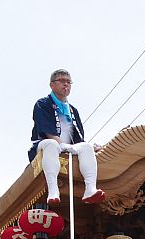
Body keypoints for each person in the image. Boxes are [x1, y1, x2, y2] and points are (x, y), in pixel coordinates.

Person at [29, 69, 104, 208]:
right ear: (52, 85)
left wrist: (88, 148)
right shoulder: (43, 104)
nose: (66, 84)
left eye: (69, 82)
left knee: (86, 146)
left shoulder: (73, 110)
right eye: (62, 81)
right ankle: (53, 190)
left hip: (68, 147)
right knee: (51, 144)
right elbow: (46, 131)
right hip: (45, 145)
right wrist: (61, 144)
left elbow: (79, 138)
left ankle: (90, 189)